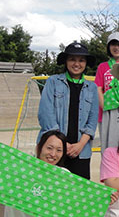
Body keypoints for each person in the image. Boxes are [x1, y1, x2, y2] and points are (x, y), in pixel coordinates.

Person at [38, 42, 98, 179]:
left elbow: (92, 121)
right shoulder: (53, 82)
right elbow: (46, 114)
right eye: (72, 59)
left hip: (81, 151)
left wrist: (80, 145)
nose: (77, 64)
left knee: (79, 192)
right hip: (54, 150)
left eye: (81, 60)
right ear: (66, 61)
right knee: (49, 189)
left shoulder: (92, 88)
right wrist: (61, 145)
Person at [95, 32, 119, 127]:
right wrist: (105, 107)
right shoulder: (102, 67)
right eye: (113, 44)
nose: (116, 47)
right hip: (106, 113)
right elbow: (98, 88)